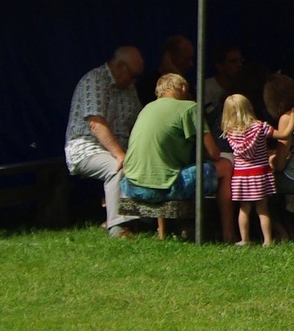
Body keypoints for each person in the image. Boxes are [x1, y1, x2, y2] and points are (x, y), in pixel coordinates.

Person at [119, 73, 222, 238]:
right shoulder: (189, 108)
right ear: (183, 88)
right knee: (225, 167)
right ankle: (229, 232)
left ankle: (163, 232)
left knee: (166, 168)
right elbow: (214, 153)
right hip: (161, 189)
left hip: (131, 186)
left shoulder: (147, 108)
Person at [64, 45, 145, 235]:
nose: (134, 80)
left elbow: (138, 120)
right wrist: (120, 155)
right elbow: (96, 124)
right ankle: (118, 229)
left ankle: (146, 220)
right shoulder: (94, 81)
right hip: (87, 147)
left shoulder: (129, 88)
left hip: (119, 147)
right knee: (116, 169)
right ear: (120, 66)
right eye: (133, 75)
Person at [222, 93, 279, 245]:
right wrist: (292, 122)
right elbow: (282, 134)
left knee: (244, 208)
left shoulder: (230, 131)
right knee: (263, 209)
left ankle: (245, 239)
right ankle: (267, 240)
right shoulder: (260, 127)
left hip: (241, 175)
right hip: (260, 173)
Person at [203, 45, 243, 130]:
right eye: (233, 61)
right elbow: (210, 119)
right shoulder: (206, 88)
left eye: (240, 60)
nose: (239, 65)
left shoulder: (242, 86)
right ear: (219, 66)